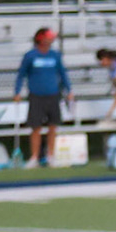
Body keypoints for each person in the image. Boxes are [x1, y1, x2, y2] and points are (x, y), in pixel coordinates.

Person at [12, 27, 72, 168]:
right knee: (36, 128)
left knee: (53, 127)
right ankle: (34, 157)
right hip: (36, 96)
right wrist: (17, 92)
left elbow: (62, 74)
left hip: (53, 95)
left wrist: (69, 90)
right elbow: (21, 75)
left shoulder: (55, 55)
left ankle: (51, 156)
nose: (51, 39)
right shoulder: (30, 56)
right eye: (48, 37)